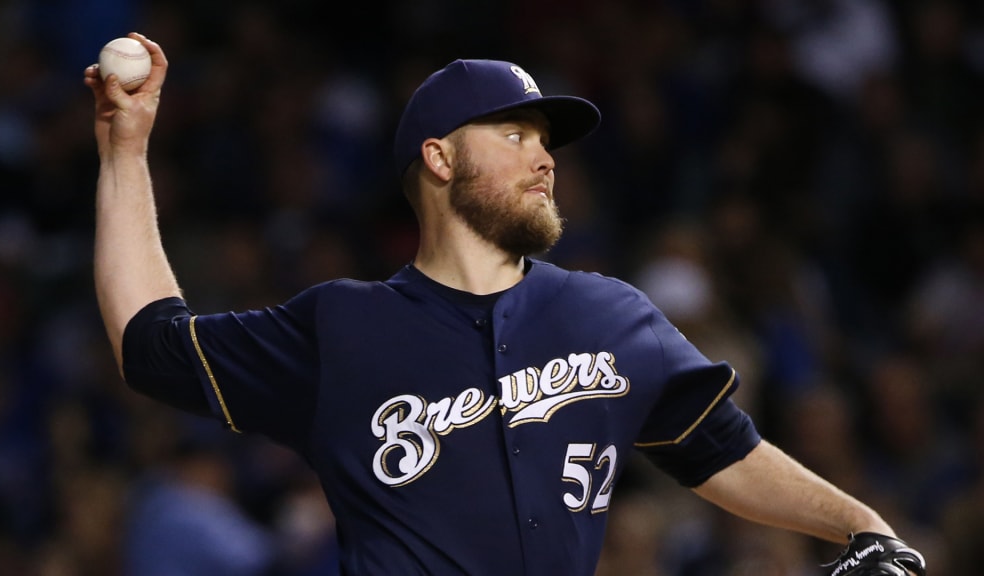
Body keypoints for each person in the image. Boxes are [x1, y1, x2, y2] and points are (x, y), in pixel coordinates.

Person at [84, 33, 926, 576]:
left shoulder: (612, 317)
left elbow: (724, 454)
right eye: (516, 135)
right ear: (440, 160)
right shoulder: (340, 327)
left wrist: (862, 523)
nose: (544, 159)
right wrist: (126, 149)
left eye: (547, 142)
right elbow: (150, 343)